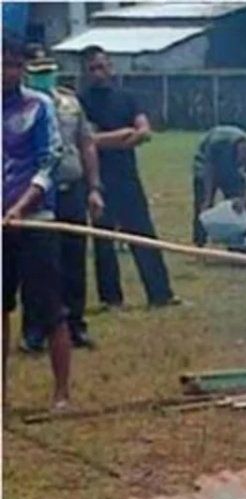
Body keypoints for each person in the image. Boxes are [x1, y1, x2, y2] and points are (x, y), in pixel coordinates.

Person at [78, 45, 178, 309]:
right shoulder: (80, 103)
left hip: (127, 177)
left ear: (110, 67)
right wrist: (123, 136)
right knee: (104, 240)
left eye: (102, 66)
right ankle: (111, 299)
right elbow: (85, 141)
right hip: (97, 178)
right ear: (85, 72)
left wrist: (109, 139)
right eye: (92, 69)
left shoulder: (127, 97)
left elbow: (144, 131)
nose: (98, 73)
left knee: (144, 235)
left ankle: (161, 294)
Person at [20, 44, 104, 351]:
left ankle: (75, 325)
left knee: (73, 259)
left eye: (48, 70)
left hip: (71, 188)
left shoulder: (70, 103)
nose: (45, 76)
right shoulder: (20, 107)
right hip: (36, 195)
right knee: (38, 264)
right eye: (37, 71)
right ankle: (34, 330)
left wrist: (94, 187)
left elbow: (87, 144)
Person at [2, 36, 71, 409]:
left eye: (10, 64)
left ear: (21, 67)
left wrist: (22, 207)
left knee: (49, 309)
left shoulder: (39, 106)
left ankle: (61, 393)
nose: (4, 72)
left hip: (37, 221)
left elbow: (50, 162)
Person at [191, 125, 246, 247]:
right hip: (205, 166)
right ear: (240, 149)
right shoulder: (219, 142)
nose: (245, 162)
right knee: (202, 204)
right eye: (243, 158)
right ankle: (199, 242)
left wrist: (243, 199)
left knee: (238, 207)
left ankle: (241, 242)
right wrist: (208, 198)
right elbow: (209, 170)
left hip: (230, 170)